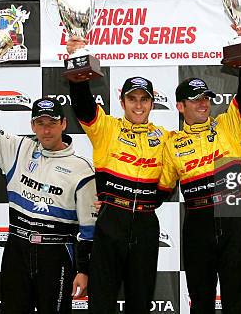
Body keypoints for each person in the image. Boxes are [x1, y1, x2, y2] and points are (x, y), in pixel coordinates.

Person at [0, 60, 96, 314]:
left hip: (56, 254)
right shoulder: (18, 149)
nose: (46, 130)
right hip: (17, 250)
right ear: (32, 126)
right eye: (40, 123)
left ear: (63, 125)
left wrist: (84, 270)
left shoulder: (82, 169)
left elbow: (89, 230)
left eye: (51, 123)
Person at [157, 20, 241, 313]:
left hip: (232, 219)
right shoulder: (172, 143)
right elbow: (161, 190)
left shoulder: (229, 125)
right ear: (180, 107)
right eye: (195, 100)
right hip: (197, 223)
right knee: (200, 300)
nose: (203, 104)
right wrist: (115, 204)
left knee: (236, 299)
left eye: (206, 98)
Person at [66, 38, 172, 314]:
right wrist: (77, 61)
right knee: (101, 301)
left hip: (146, 224)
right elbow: (83, 105)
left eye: (144, 99)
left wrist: (146, 201)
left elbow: (169, 184)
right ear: (122, 101)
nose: (138, 105)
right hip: (111, 222)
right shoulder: (107, 128)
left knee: (140, 301)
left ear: (152, 103)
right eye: (132, 99)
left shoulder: (165, 138)